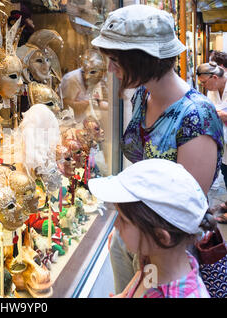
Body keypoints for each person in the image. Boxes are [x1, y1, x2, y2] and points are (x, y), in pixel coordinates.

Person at [90, 4, 224, 294]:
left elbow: (181, 218)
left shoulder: (195, 117)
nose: (111, 68)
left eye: (115, 59)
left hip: (164, 260)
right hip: (139, 242)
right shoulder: (142, 95)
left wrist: (140, 257)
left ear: (142, 60)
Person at [88, 159, 215, 298]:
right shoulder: (155, 261)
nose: (115, 225)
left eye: (123, 220)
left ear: (161, 237)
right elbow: (147, 281)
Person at [197, 60, 227, 223]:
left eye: (204, 83)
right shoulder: (213, 91)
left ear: (214, 77)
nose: (204, 87)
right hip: (222, 139)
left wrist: (224, 116)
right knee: (225, 170)